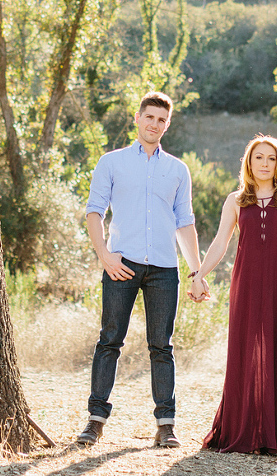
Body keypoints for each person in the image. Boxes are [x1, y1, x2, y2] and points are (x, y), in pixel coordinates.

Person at [76, 91, 202, 450]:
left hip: (164, 269)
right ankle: (95, 421)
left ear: (168, 124)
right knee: (110, 340)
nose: (154, 124)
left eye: (161, 120)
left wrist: (197, 271)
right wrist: (104, 255)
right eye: (149, 117)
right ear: (137, 118)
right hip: (122, 265)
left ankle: (166, 425)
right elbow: (94, 211)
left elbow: (185, 223)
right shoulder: (112, 162)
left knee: (162, 347)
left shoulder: (177, 170)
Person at [189, 134, 277, 457]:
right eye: (259, 157)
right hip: (246, 285)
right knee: (245, 354)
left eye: (271, 158)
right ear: (249, 162)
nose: (265, 164)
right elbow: (220, 244)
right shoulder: (236, 200)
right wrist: (199, 274)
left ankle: (276, 437)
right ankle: (242, 431)